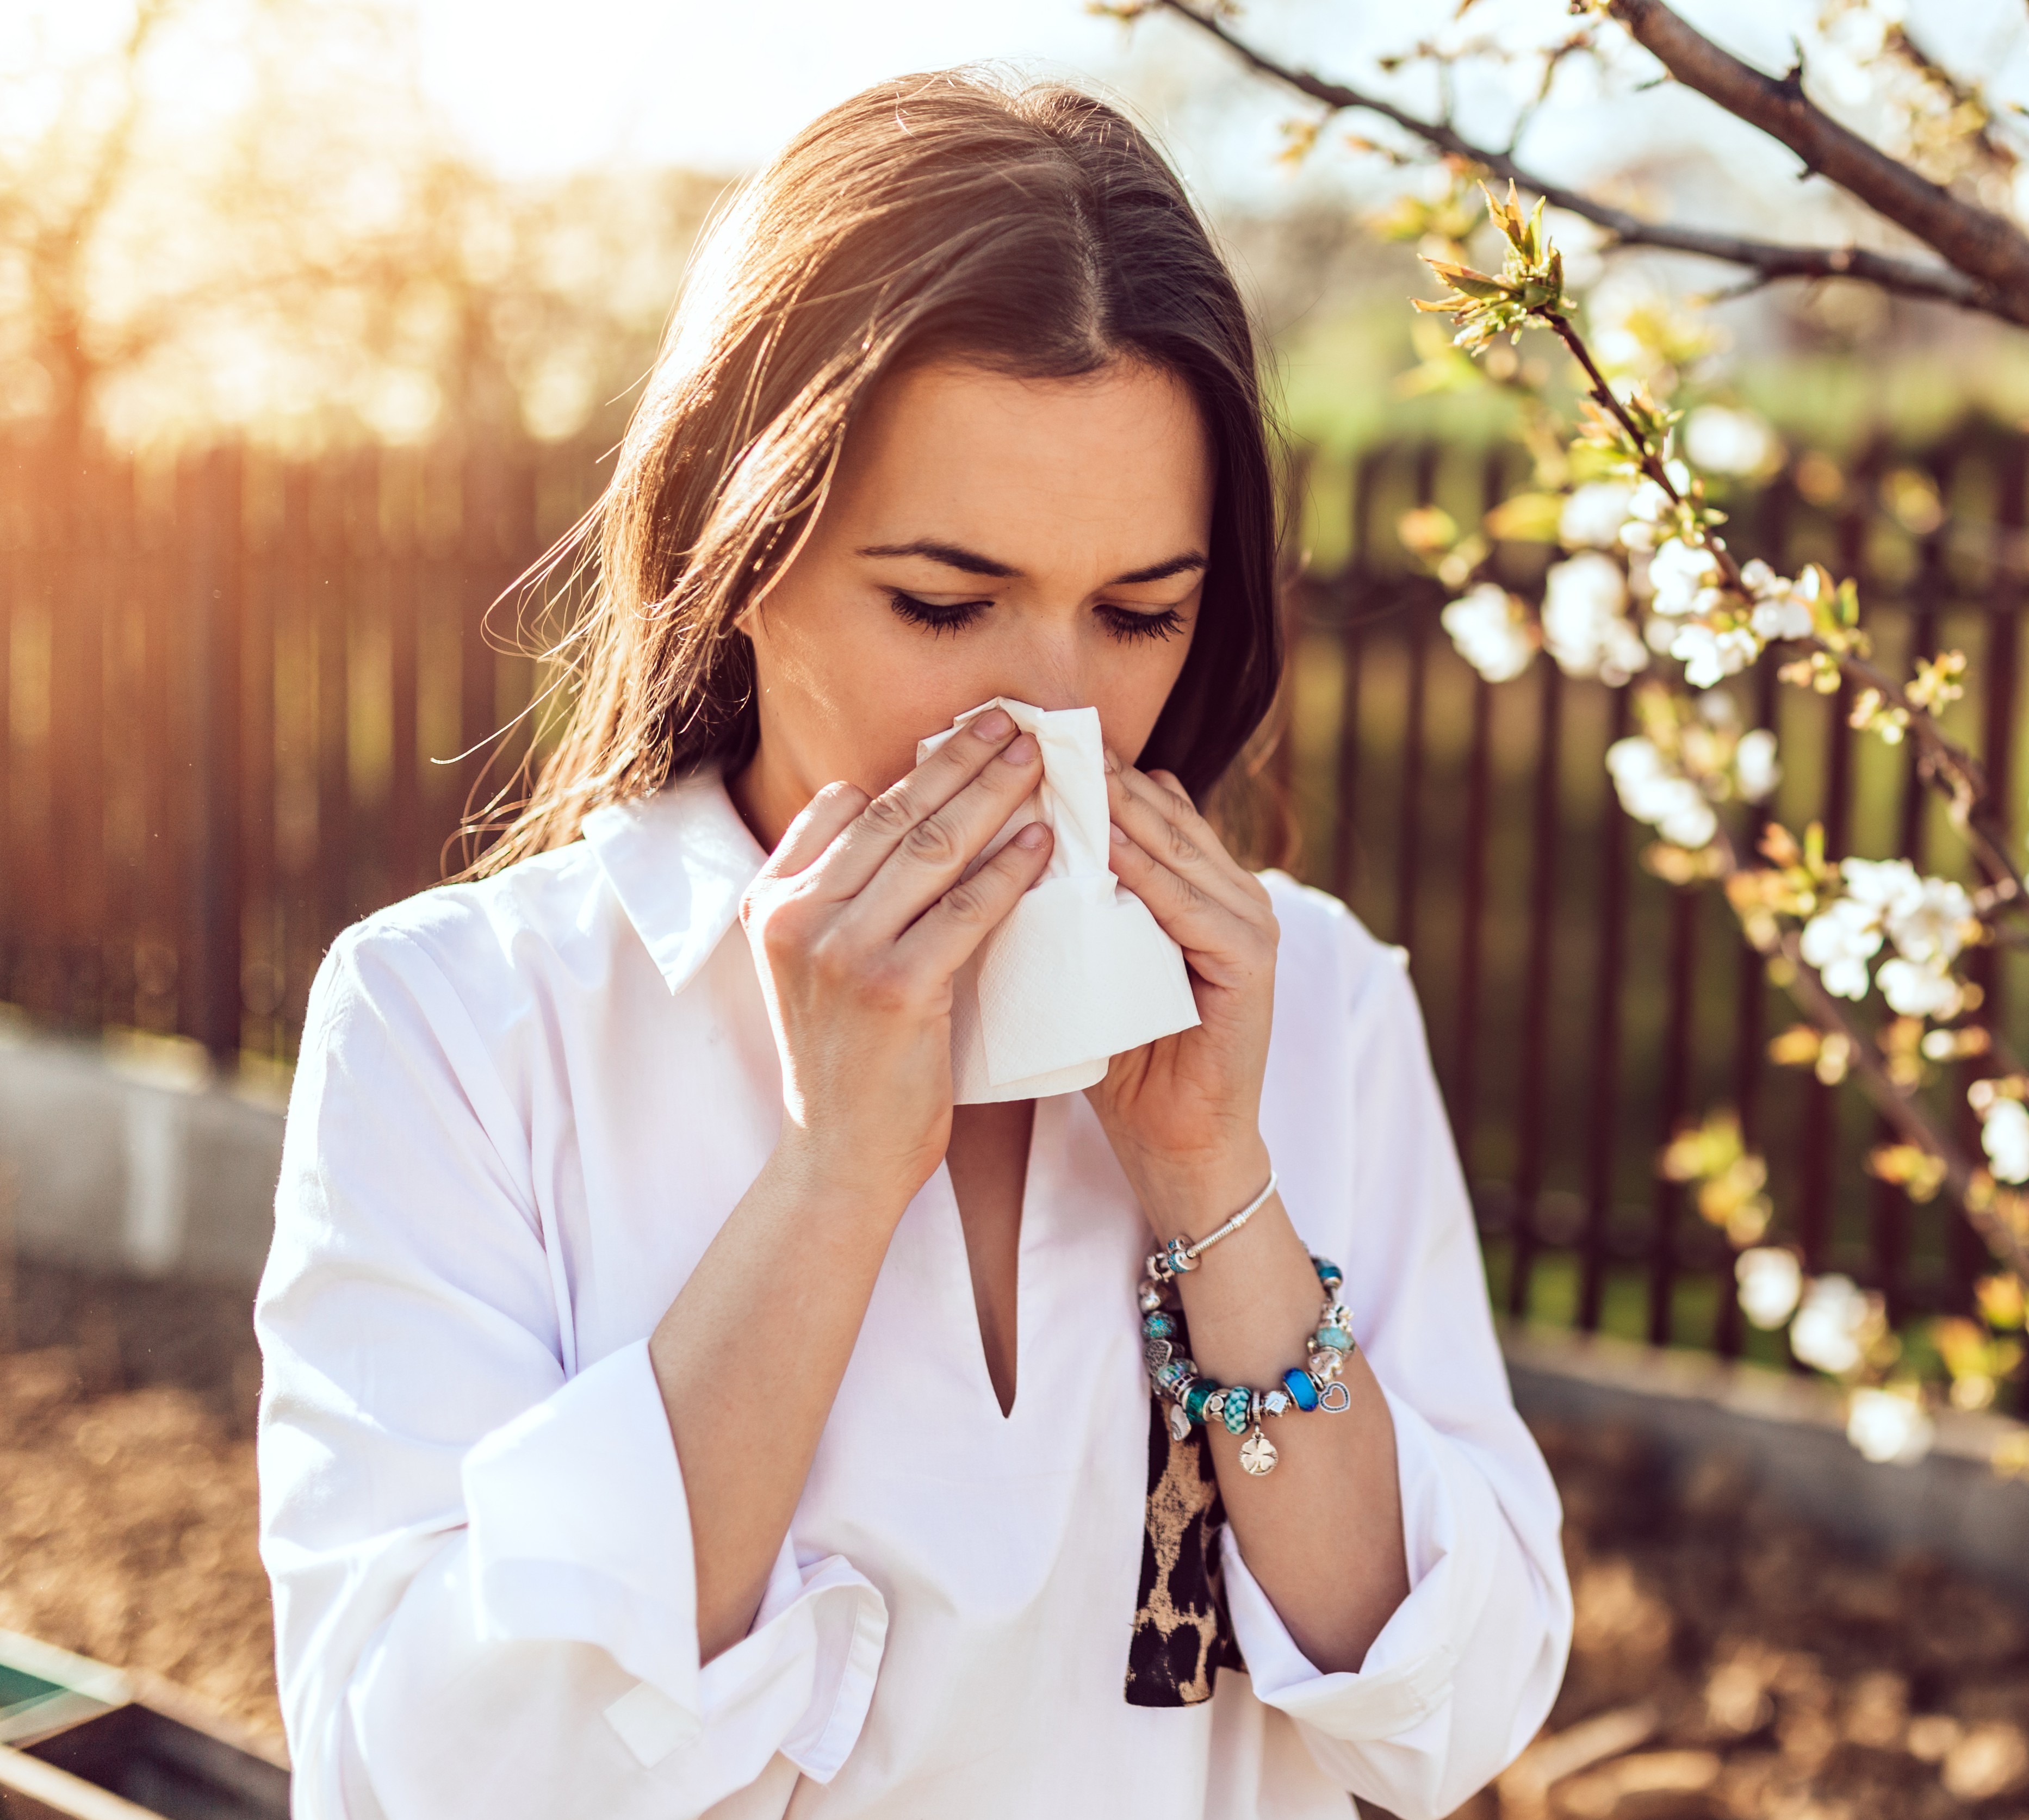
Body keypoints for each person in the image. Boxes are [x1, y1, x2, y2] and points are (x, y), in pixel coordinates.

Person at [255, 70, 1571, 1820]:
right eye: (945, 604)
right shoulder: (461, 1023)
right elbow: (418, 1778)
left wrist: (1217, 1188)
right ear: (738, 546)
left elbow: (1449, 1715)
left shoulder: (1307, 998)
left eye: (1139, 613)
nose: (1050, 714)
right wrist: (831, 1181)